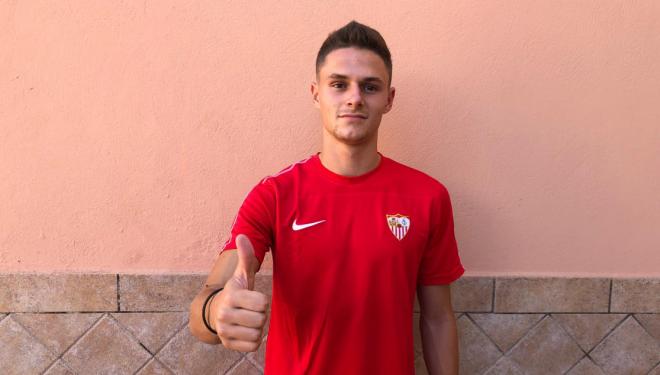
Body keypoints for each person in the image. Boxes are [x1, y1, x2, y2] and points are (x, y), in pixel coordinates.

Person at [189, 20, 465, 375]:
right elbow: (206, 302)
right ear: (316, 93)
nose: (354, 97)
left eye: (369, 86)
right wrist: (216, 313)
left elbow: (438, 318)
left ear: (389, 99)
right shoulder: (274, 195)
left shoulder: (428, 197)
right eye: (338, 84)